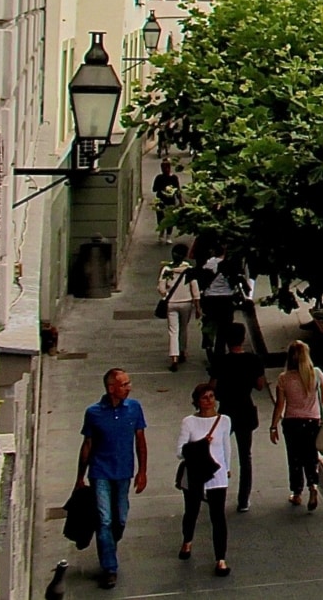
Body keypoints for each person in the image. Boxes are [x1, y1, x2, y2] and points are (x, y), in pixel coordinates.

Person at [78, 368, 148, 589]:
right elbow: (87, 445)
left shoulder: (134, 408)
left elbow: (140, 441)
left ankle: (108, 543)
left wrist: (142, 471)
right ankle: (109, 567)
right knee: (105, 519)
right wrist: (80, 477)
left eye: (128, 383)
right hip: (100, 472)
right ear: (111, 388)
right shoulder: (94, 413)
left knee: (120, 519)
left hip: (124, 472)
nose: (129, 387)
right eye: (124, 384)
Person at [176, 382, 234, 576]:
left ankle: (221, 558)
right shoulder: (189, 422)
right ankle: (187, 540)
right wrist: (201, 445)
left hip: (216, 473)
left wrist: (227, 468)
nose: (209, 401)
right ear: (197, 401)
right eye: (204, 397)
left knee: (218, 517)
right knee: (191, 511)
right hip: (195, 473)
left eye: (211, 396)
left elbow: (226, 446)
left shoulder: (224, 420)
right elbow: (180, 452)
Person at [270, 339, 323, 510]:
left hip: (292, 422)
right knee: (311, 456)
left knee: (295, 458)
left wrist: (273, 425)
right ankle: (313, 487)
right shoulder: (316, 374)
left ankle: (297, 492)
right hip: (312, 421)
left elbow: (280, 404)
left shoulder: (284, 379)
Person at [209, 323, 267, 511]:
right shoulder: (253, 360)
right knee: (245, 456)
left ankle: (215, 491)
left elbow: (213, 386)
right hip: (245, 408)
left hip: (225, 410)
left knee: (217, 453)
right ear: (243, 339)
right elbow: (259, 385)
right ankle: (244, 499)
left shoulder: (220, 361)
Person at [158, 243, 201, 371]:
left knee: (173, 331)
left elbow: (161, 288)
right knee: (183, 328)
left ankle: (174, 357)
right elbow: (195, 289)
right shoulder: (189, 269)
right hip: (186, 303)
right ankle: (182, 351)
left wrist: (166, 293)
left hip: (171, 303)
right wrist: (198, 307)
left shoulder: (167, 269)